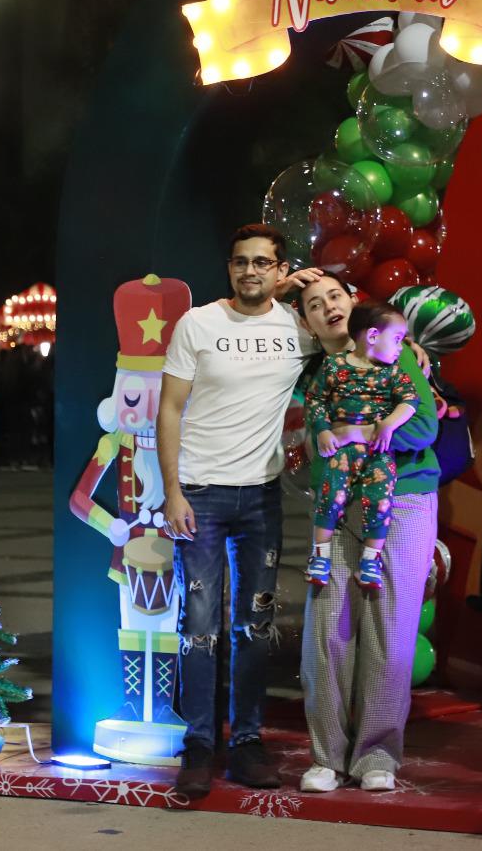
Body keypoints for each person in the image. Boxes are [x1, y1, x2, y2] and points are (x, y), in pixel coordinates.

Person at [156, 224, 317, 798]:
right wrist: (172, 492)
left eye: (263, 263)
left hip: (262, 497)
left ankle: (246, 742)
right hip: (200, 493)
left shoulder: (297, 328)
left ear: (280, 268)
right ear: (230, 268)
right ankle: (199, 746)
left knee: (255, 625)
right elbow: (170, 410)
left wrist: (314, 285)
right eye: (241, 262)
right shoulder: (198, 323)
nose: (251, 271)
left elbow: (358, 334)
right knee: (198, 627)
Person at [295, 274, 439, 794]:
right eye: (314, 304)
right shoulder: (317, 374)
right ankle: (326, 756)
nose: (327, 307)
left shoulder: (396, 354)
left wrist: (363, 432)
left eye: (334, 295)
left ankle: (377, 753)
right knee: (326, 627)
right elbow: (312, 434)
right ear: (307, 323)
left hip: (401, 500)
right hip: (336, 506)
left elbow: (424, 428)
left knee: (389, 626)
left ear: (354, 306)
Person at [305, 300, 420, 590]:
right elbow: (316, 399)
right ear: (371, 336)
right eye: (396, 339)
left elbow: (410, 400)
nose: (399, 347)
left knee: (381, 499)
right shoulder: (335, 365)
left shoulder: (392, 372)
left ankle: (371, 561)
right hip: (341, 450)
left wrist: (389, 424)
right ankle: (320, 556)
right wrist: (321, 430)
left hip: (377, 452)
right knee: (331, 493)